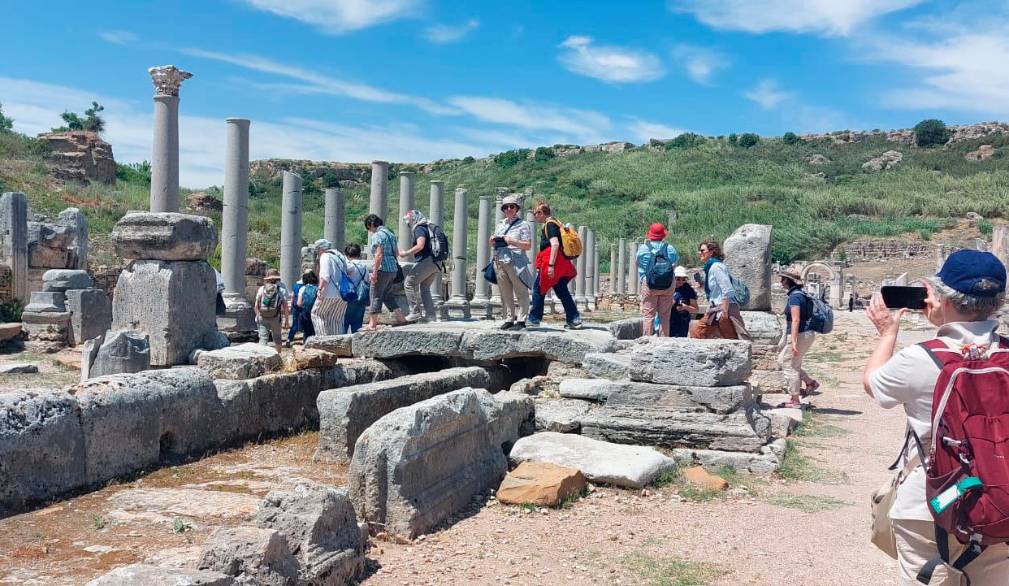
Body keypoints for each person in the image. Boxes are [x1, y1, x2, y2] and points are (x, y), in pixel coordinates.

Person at [864, 249, 1009, 585]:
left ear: (942, 298)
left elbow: (873, 384)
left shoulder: (919, 358)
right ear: (997, 302)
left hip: (928, 503)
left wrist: (888, 334)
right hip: (1001, 499)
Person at [526, 202, 582, 329]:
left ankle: (534, 318)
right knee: (562, 291)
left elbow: (555, 244)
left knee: (538, 288)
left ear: (541, 213)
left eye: (536, 213)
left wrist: (550, 265)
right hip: (562, 263)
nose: (535, 216)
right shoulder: (557, 222)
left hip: (552, 262)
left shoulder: (549, 224)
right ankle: (574, 319)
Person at [690, 239, 752, 341]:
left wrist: (724, 312)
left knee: (733, 340)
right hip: (716, 310)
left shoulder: (716, 267)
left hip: (724, 309)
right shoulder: (711, 267)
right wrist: (703, 285)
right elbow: (717, 288)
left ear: (711, 252)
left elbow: (727, 289)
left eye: (702, 250)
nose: (699, 253)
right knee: (697, 333)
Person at [490, 195, 533, 330]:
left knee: (521, 291)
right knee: (505, 292)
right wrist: (493, 241)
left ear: (516, 209)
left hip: (516, 262)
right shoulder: (500, 225)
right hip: (500, 261)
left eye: (511, 206)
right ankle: (509, 318)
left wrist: (512, 241)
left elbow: (527, 245)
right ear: (503, 209)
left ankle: (521, 320)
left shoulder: (523, 225)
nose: (508, 209)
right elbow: (497, 244)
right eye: (506, 207)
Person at [778, 270, 819, 408]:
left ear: (787, 280)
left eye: (782, 279)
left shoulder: (795, 297)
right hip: (806, 333)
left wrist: (794, 341)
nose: (780, 282)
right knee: (783, 360)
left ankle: (794, 399)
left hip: (799, 334)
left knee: (790, 366)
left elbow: (796, 320)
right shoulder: (800, 294)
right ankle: (810, 382)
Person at [364, 214, 407, 330]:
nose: (370, 231)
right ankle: (401, 318)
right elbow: (397, 253)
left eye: (368, 228)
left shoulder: (377, 235)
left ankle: (372, 323)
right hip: (393, 269)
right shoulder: (391, 235)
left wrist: (374, 272)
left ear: (371, 224)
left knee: (375, 294)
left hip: (383, 269)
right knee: (387, 295)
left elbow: (379, 255)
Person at [636, 223, 678, 337]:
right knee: (665, 316)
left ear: (650, 234)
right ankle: (664, 340)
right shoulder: (670, 248)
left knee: (648, 315)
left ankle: (647, 340)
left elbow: (638, 264)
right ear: (663, 235)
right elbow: (674, 265)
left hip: (649, 284)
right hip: (668, 284)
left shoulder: (643, 249)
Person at [399, 210, 439, 322]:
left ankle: (415, 312)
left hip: (427, 261)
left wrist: (405, 253)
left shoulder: (419, 228)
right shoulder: (427, 227)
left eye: (409, 221)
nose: (408, 224)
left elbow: (420, 245)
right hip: (436, 262)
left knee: (408, 283)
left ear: (414, 219)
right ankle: (431, 316)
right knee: (425, 288)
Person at [311, 238, 351, 336]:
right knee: (336, 319)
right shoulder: (341, 257)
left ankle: (323, 340)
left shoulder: (325, 256)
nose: (317, 253)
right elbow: (349, 271)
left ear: (321, 249)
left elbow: (325, 276)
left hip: (328, 292)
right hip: (343, 294)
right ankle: (338, 341)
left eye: (317, 250)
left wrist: (319, 289)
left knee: (317, 314)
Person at [254, 268, 289, 353]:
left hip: (263, 316)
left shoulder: (261, 289)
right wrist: (286, 320)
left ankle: (262, 357)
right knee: (277, 338)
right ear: (277, 279)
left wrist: (258, 316)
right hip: (276, 317)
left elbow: (256, 306)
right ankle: (278, 356)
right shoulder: (281, 290)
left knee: (263, 339)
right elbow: (285, 307)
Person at [343, 244, 369, 333]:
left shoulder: (349, 266)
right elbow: (367, 280)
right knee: (357, 325)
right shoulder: (364, 266)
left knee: (343, 324)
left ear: (347, 254)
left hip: (349, 296)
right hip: (361, 297)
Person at [670, 266, 698, 337]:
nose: (681, 281)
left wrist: (685, 307)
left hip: (682, 323)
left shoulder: (688, 289)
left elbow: (695, 309)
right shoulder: (667, 287)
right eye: (678, 279)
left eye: (683, 279)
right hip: (668, 321)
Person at [296, 270, 318, 343]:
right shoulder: (318, 288)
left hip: (305, 314)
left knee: (306, 333)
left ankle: (306, 346)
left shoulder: (303, 288)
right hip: (316, 313)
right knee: (315, 332)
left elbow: (299, 303)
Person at [285, 273, 304, 347]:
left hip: (295, 306)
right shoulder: (306, 286)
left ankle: (289, 338)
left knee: (294, 324)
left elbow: (292, 296)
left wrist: (291, 307)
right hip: (303, 306)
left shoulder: (296, 285)